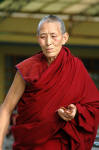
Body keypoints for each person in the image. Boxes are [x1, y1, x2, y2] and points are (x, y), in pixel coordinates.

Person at [0, 15, 99, 150]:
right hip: (30, 144)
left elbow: (94, 106)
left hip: (61, 142)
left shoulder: (75, 67)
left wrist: (75, 112)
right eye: (43, 37)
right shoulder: (27, 68)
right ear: (37, 39)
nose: (48, 42)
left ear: (65, 38)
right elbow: (6, 108)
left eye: (53, 36)